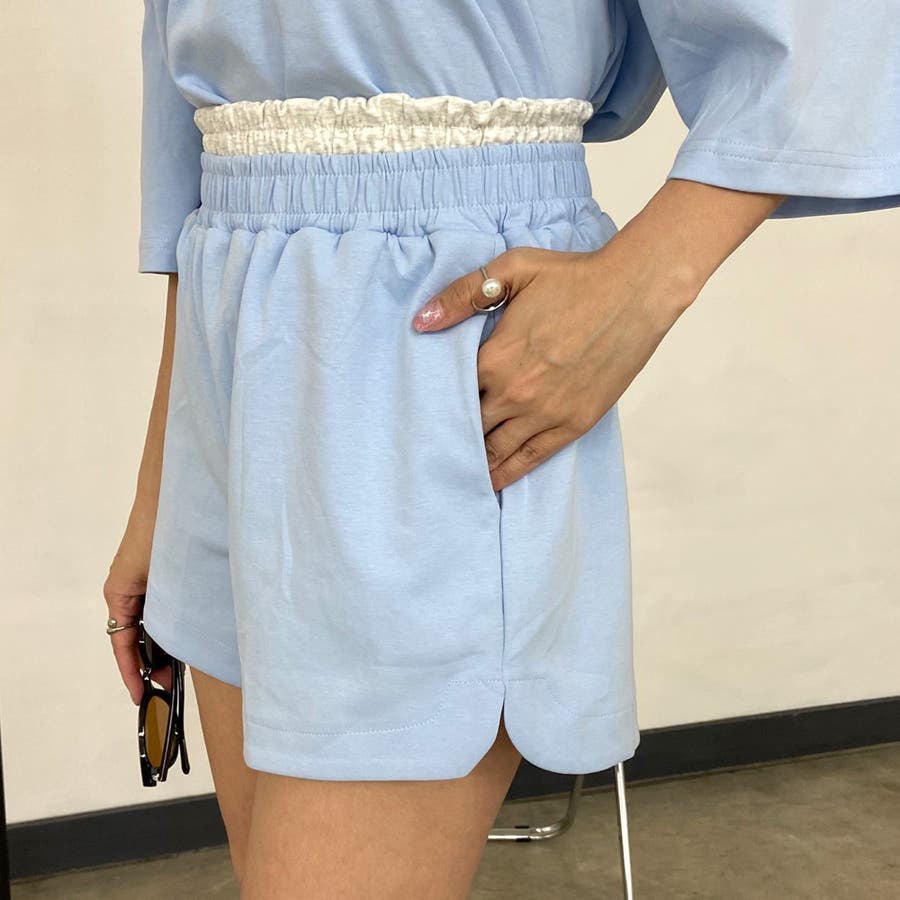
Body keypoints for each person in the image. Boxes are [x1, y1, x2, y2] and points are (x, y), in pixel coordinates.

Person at [104, 2, 900, 897]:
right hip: (232, 353)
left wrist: (643, 286)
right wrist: (160, 492)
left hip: (425, 321)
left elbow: (842, 29)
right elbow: (189, 144)